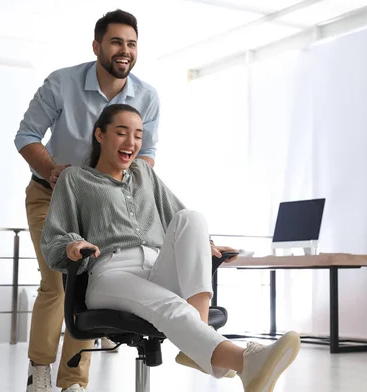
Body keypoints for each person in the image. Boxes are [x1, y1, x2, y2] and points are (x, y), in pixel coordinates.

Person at [41, 104, 301, 392]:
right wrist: (73, 244)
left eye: (138, 135)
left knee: (193, 218)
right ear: (100, 135)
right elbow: (54, 237)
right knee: (172, 307)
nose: (132, 143)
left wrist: (206, 246)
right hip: (110, 274)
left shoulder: (144, 173)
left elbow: (178, 217)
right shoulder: (75, 179)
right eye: (122, 133)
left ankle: (196, 347)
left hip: (156, 265)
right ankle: (244, 359)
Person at [14, 9, 159, 392]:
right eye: (116, 42)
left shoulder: (146, 96)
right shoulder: (61, 83)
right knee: (58, 280)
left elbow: (147, 157)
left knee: (87, 284)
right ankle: (39, 371)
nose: (124, 50)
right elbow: (26, 136)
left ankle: (74, 381)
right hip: (50, 193)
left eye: (131, 43)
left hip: (101, 203)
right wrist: (50, 170)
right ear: (97, 46)